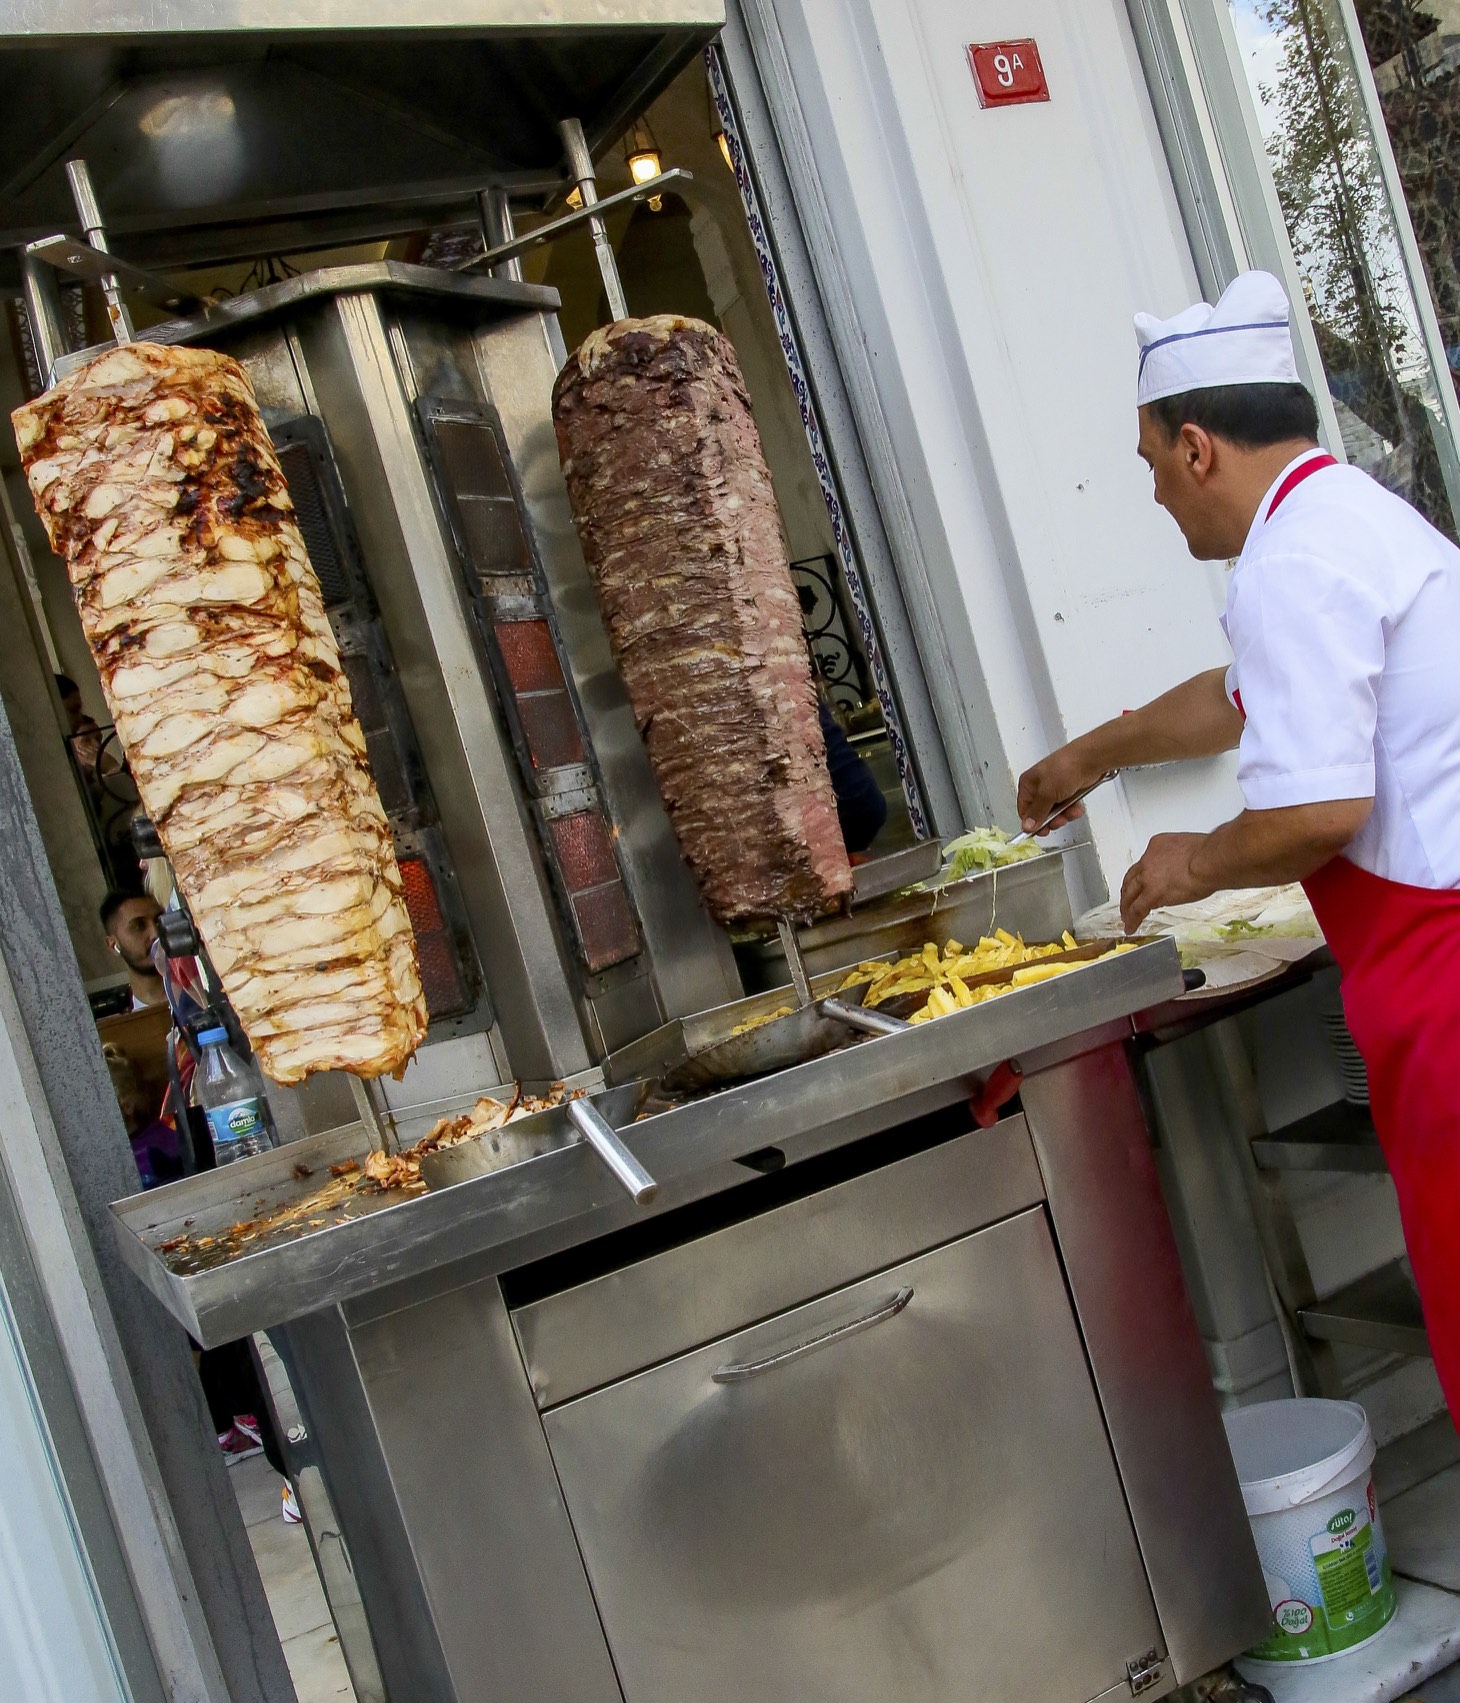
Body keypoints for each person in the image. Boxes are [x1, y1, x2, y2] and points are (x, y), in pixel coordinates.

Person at [1017, 270, 1460, 1430]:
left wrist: (1192, 861)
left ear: (1196, 447)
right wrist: (1085, 756)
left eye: (1151, 465)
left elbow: (1319, 812)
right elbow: (1236, 698)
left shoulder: (1289, 566)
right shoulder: (1346, 517)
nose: (1156, 496)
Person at [100, 889, 167, 1010]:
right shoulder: (128, 1020)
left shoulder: (201, 989)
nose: (155, 934)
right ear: (113, 945)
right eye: (138, 926)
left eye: (159, 921)